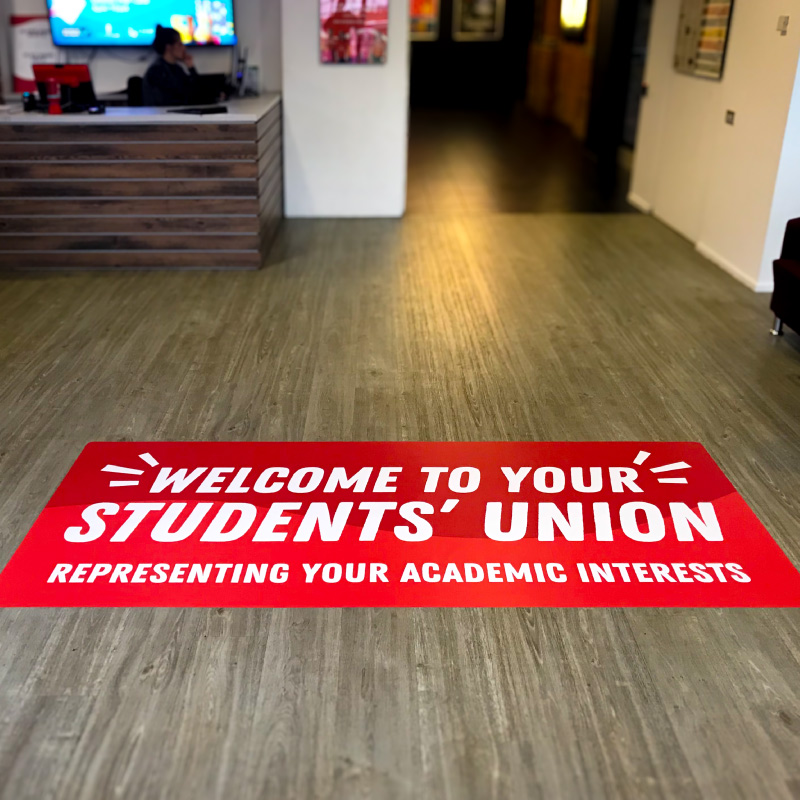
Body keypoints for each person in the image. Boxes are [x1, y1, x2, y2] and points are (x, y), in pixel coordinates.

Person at [142, 25, 199, 106]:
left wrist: (191, 67)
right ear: (168, 47)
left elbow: (194, 92)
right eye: (179, 44)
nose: (184, 48)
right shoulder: (156, 71)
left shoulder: (177, 69)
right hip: (162, 117)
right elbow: (174, 98)